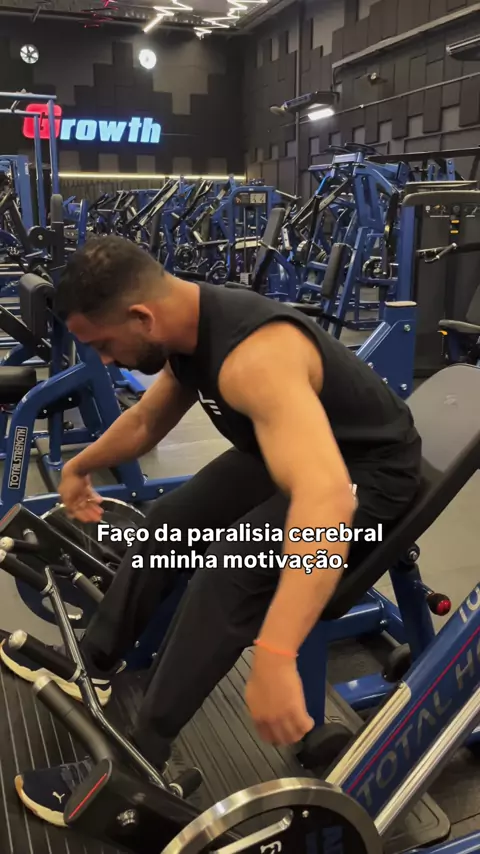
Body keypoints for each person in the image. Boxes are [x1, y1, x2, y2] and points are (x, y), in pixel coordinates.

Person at [3, 236, 422, 826]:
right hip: (286, 452)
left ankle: (138, 764)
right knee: (167, 523)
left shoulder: (254, 357)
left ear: (141, 317)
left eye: (103, 345)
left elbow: (326, 498)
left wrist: (276, 653)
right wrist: (80, 466)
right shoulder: (186, 331)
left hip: (367, 474)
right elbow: (146, 420)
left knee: (230, 567)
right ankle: (95, 661)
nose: (105, 362)